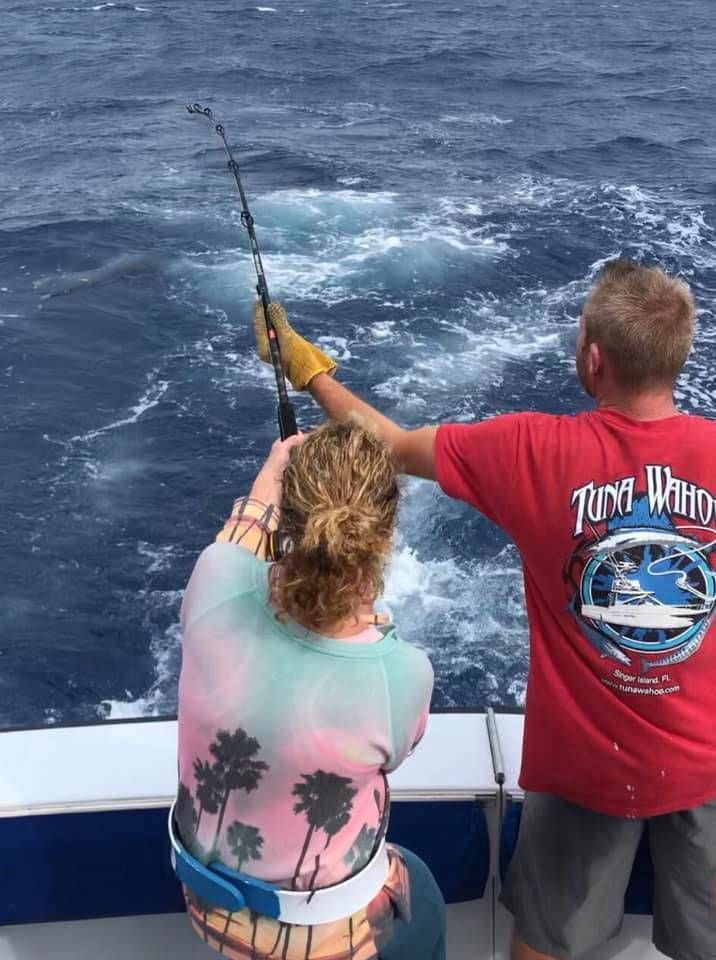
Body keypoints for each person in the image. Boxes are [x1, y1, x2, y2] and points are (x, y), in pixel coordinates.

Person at [252, 259, 716, 960]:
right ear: (679, 357)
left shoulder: (534, 449)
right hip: (710, 768)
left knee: (544, 946)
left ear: (593, 358)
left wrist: (306, 367)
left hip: (586, 770)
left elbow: (389, 447)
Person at [174, 420, 446, 960]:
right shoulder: (401, 672)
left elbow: (241, 538)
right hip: (325, 939)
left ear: (290, 514)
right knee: (424, 895)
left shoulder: (214, 579)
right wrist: (374, 628)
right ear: (383, 535)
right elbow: (395, 754)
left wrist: (273, 470)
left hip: (209, 910)